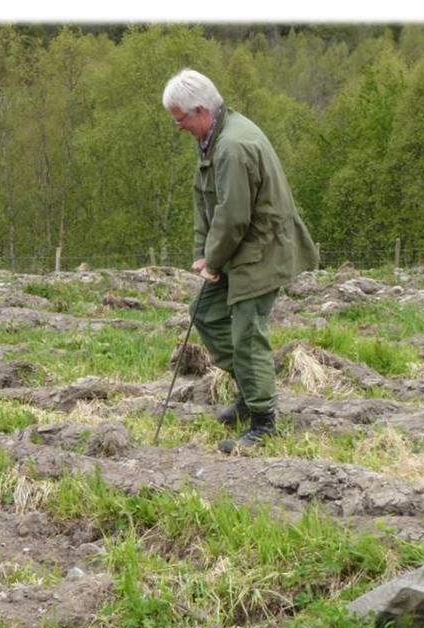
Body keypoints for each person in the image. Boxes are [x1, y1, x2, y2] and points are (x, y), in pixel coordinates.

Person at [162, 68, 319, 454]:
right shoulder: (213, 139)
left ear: (200, 110)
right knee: (205, 311)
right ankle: (252, 389)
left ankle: (263, 422)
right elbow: (205, 200)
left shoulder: (232, 146)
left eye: (180, 119)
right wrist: (203, 254)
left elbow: (233, 216)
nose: (178, 127)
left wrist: (213, 261)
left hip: (263, 249)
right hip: (239, 248)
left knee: (247, 334)